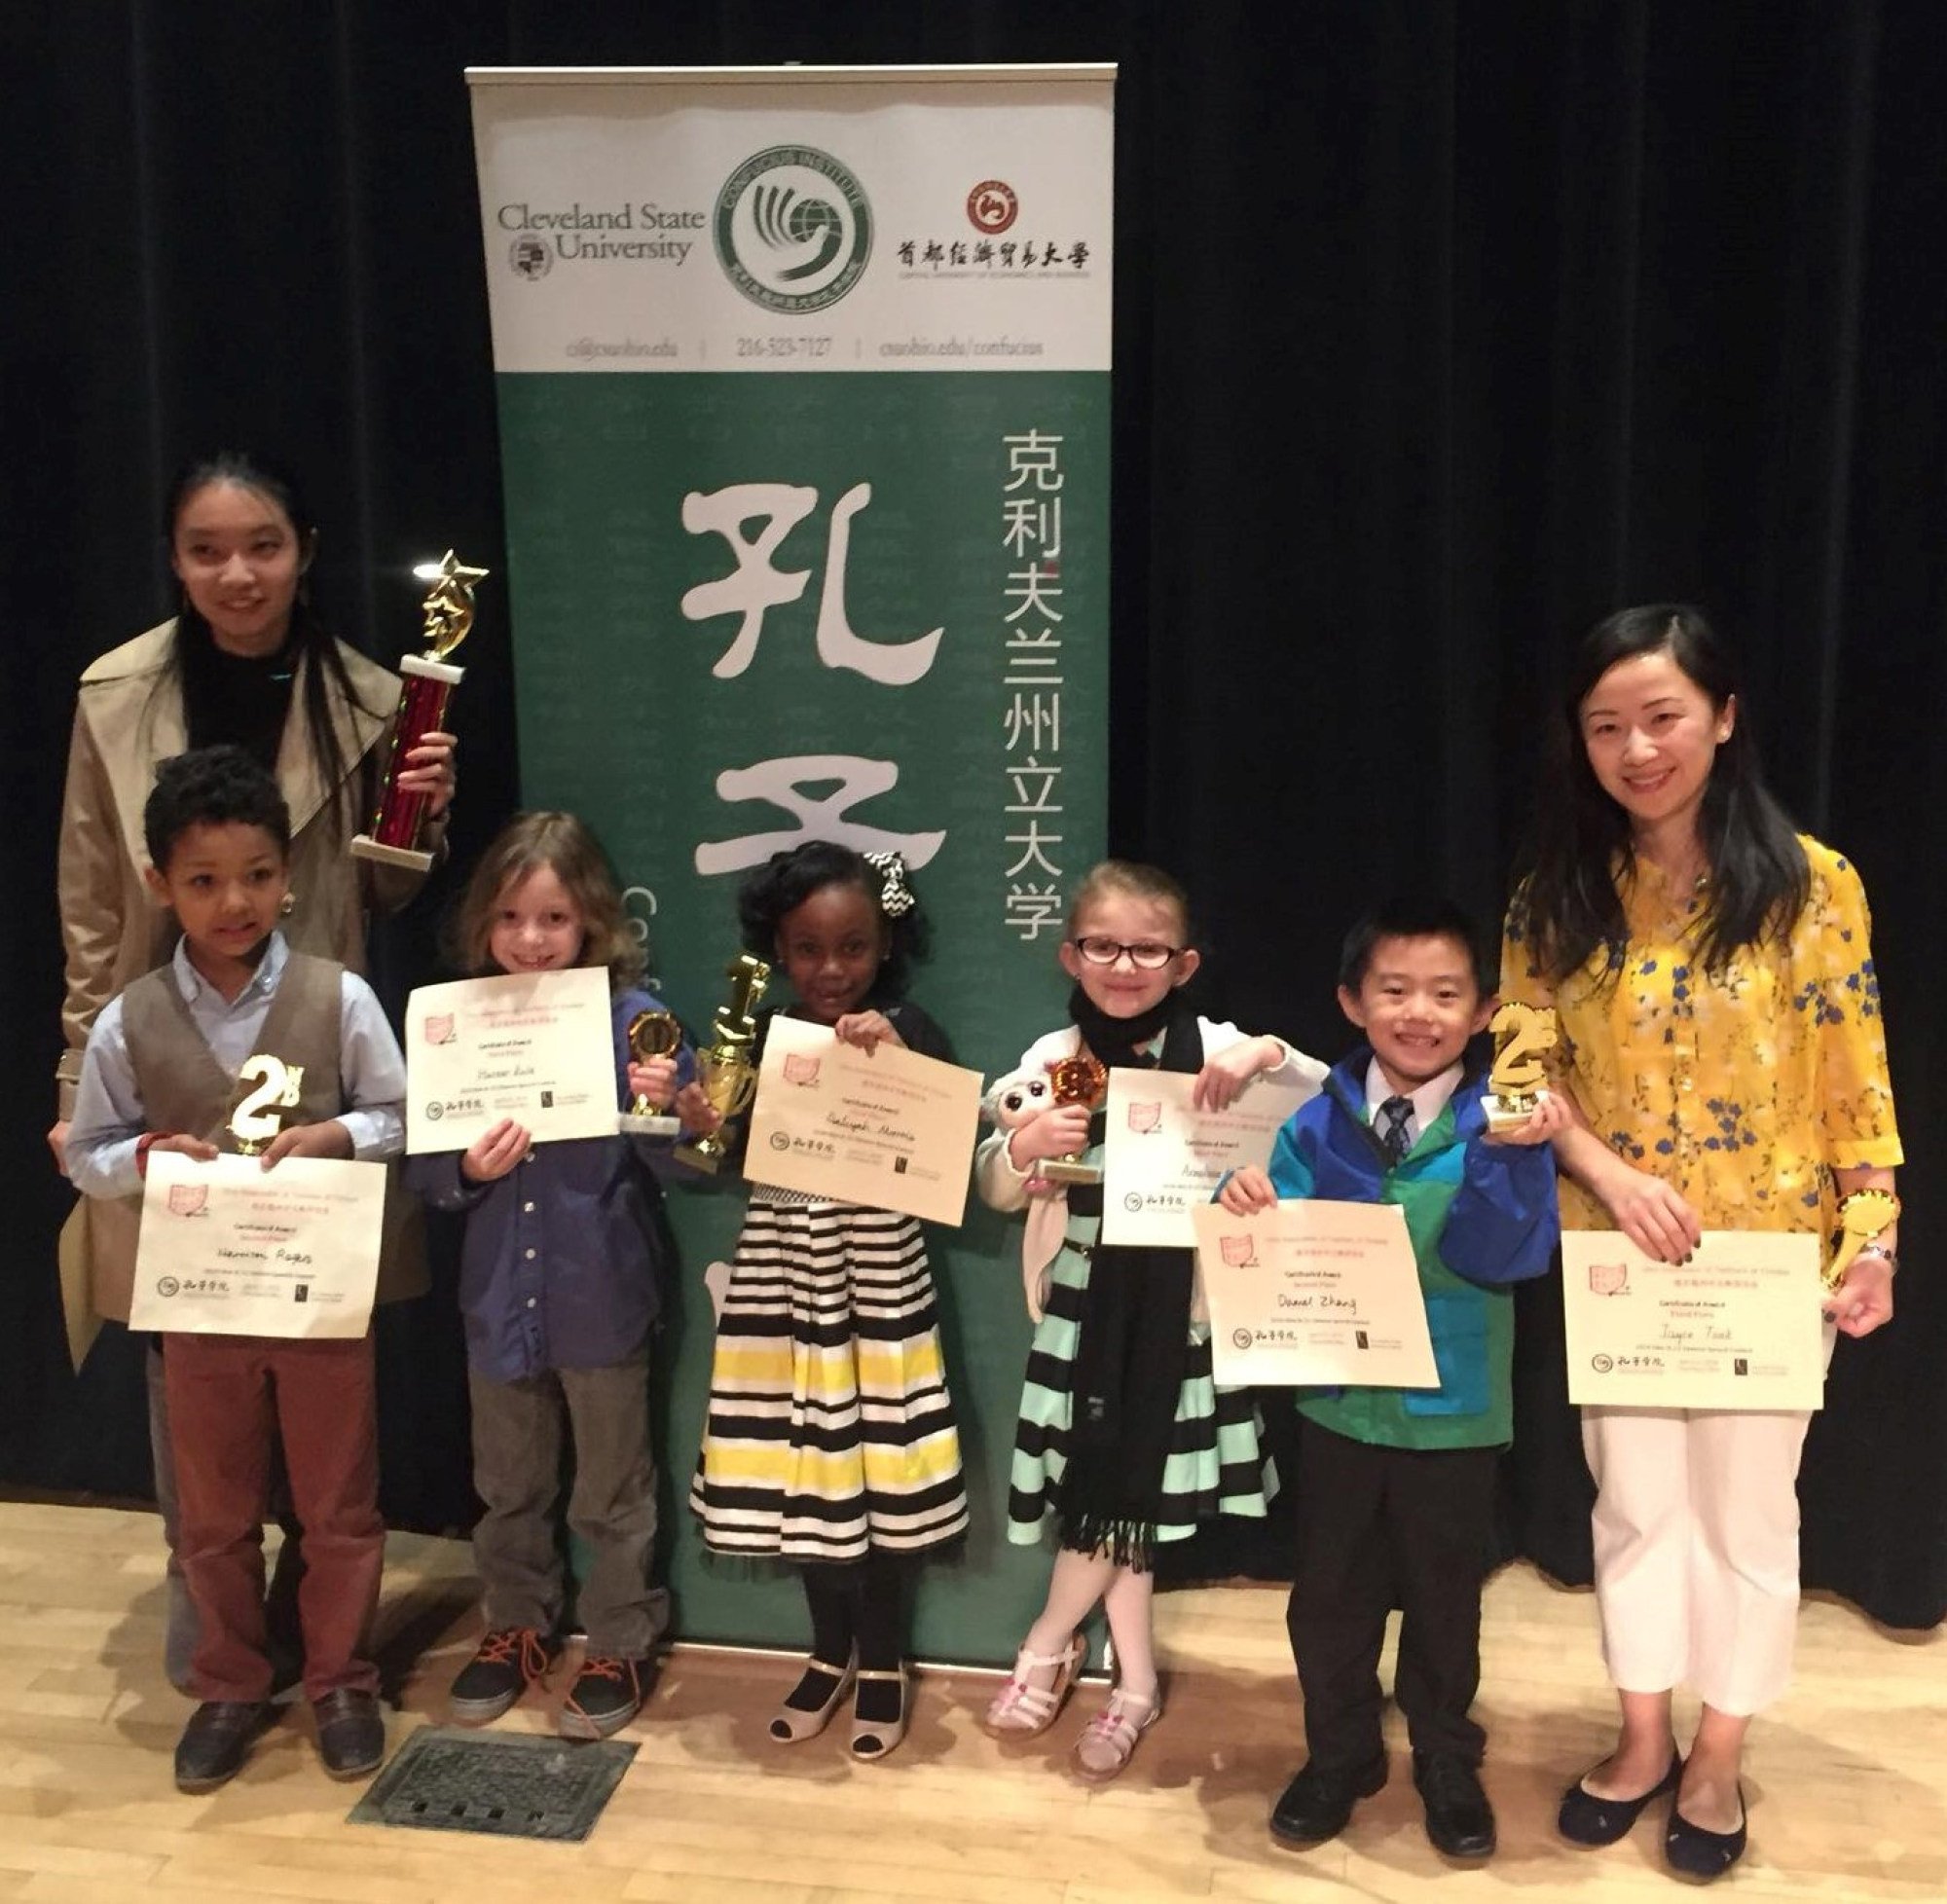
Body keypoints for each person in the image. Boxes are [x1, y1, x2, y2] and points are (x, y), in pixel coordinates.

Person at [1501, 604, 1900, 1881]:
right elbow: (1522, 1080)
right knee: (1634, 1510)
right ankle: (1638, 1736)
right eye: (1608, 725)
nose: (1637, 748)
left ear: (1723, 719)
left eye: (1663, 717)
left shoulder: (1811, 886)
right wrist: (1611, 1178)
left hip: (1769, 1258)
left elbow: (1857, 1078)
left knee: (1747, 1517)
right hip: (1618, 1255)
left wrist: (1875, 1232)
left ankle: (1719, 1749)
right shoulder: (1554, 895)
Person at [52, 451, 455, 1690]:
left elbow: (378, 897)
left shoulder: (376, 697)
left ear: (307, 549)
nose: (237, 574)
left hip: (308, 1066)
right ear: (176, 559)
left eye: (263, 546)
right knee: (192, 1367)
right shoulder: (115, 693)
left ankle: (321, 1627)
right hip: (164, 1060)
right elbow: (87, 899)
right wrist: (81, 1082)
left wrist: (419, 819)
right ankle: (213, 1622)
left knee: (322, 1364)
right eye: (208, 550)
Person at [65, 747, 411, 1792]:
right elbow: (86, 1151)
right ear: (161, 883)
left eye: (257, 875)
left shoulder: (337, 995)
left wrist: (341, 1135)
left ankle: (339, 1677)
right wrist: (140, 1159)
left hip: (318, 1300)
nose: (234, 901)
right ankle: (229, 1682)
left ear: (288, 877)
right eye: (205, 880)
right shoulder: (130, 1017)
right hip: (201, 1308)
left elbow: (401, 1113)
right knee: (211, 1516)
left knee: (338, 1504)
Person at [1218, 898, 1566, 1858]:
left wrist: (1501, 1159)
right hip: (1334, 1406)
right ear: (1350, 1001)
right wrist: (1237, 1197)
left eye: (1445, 993)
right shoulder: (1314, 1122)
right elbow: (1259, 1243)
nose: (1419, 1012)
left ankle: (1445, 1760)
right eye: (1395, 990)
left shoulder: (1505, 1123)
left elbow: (1503, 1257)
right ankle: (1338, 1755)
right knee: (1326, 1599)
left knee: (1444, 1604)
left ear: (1482, 1010)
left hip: (1452, 1417)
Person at [974, 860, 1325, 1781]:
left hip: (1182, 1316)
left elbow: (1328, 1094)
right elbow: (991, 1179)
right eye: (1103, 945)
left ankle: (1048, 1647)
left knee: (1119, 1494)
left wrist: (1271, 1052)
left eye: (1148, 948)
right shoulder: (1053, 1060)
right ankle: (1133, 1683)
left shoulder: (1218, 1047)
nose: (1124, 964)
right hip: (1082, 1314)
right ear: (1071, 954)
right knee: (1111, 1493)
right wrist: (1020, 1148)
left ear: (1183, 962)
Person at [679, 842, 967, 1762]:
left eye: (853, 947)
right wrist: (702, 1122)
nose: (832, 969)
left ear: (885, 946)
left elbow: (948, 1138)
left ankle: (883, 1659)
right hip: (781, 1274)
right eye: (808, 949)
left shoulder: (909, 1025)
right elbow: (717, 1157)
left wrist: (894, 1053)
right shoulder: (759, 1037)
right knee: (802, 1469)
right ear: (777, 948)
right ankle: (828, 1649)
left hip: (879, 1275)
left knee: (879, 1472)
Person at [408, 813, 692, 1740]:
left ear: (592, 925)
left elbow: (689, 1165)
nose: (532, 941)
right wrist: (467, 1171)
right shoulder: (456, 1022)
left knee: (613, 1491)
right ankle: (516, 1625)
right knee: (508, 1483)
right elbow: (424, 1171)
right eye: (511, 920)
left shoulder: (636, 1023)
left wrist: (668, 1110)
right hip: (498, 1302)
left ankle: (618, 1637)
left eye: (555, 920)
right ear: (483, 928)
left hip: (600, 1293)